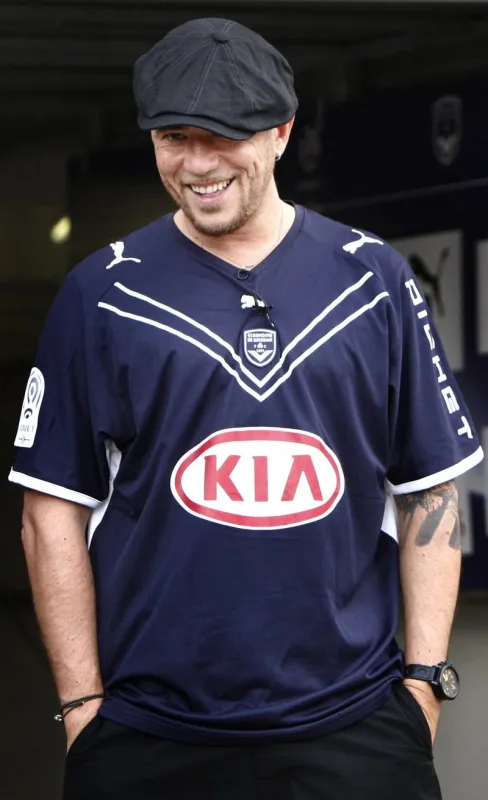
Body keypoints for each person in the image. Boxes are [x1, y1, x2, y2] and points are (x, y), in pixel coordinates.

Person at [9, 17, 483, 800]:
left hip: (354, 729)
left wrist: (425, 684)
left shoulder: (374, 281)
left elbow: (431, 489)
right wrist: (83, 707)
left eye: (222, 135)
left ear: (282, 131)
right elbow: (48, 511)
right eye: (173, 137)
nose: (197, 163)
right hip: (149, 735)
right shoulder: (102, 293)